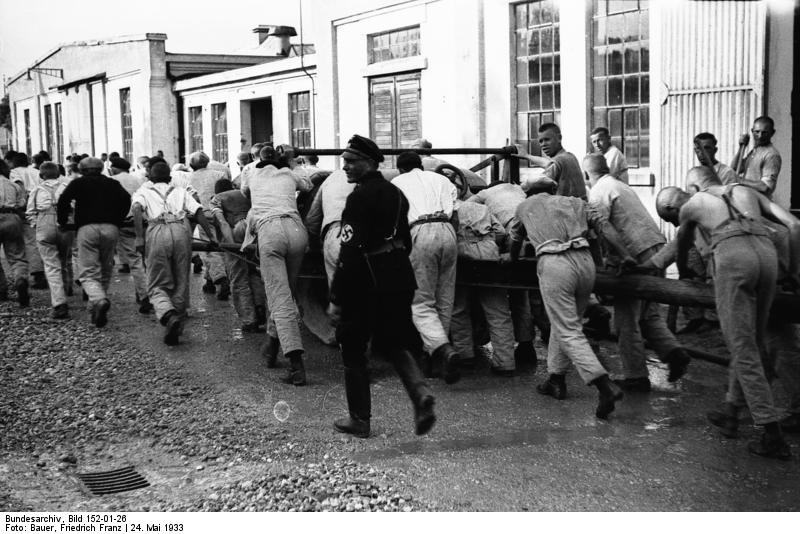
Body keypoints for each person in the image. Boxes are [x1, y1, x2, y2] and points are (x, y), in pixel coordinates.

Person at [665, 176, 800, 459]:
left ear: (673, 207)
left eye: (671, 217)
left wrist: (687, 274)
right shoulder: (742, 190)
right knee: (753, 339)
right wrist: (790, 268)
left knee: (743, 346)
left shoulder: (691, 206)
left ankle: (771, 431)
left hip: (733, 255)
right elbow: (794, 224)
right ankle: (731, 409)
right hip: (766, 253)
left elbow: (682, 247)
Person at [327, 134, 436, 438]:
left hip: (366, 280)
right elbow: (407, 238)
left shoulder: (358, 198)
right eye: (344, 161)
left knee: (351, 343)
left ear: (370, 163)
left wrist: (336, 297)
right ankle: (420, 393)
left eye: (351, 161)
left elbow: (349, 251)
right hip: (399, 275)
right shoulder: (396, 193)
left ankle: (359, 420)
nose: (345, 166)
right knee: (394, 340)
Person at [509, 175, 634, 418]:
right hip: (584, 261)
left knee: (568, 330)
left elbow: (515, 240)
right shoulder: (575, 202)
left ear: (527, 192)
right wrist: (624, 254)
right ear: (553, 188)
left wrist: (512, 261)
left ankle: (604, 385)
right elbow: (604, 227)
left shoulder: (524, 206)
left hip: (555, 263)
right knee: (566, 323)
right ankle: (556, 378)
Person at [584, 154, 691, 391]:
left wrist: (606, 262)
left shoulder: (600, 190)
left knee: (625, 319)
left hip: (634, 253)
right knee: (649, 313)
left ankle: (636, 376)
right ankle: (674, 353)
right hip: (654, 247)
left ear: (586, 175)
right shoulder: (620, 185)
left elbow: (603, 228)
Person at [244, 145, 312, 385]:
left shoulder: (251, 173)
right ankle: (272, 345)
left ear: (259, 161)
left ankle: (296, 365)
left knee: (279, 297)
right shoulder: (289, 174)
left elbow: (244, 192)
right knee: (286, 293)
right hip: (296, 229)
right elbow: (309, 185)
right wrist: (292, 163)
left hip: (270, 230)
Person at [392, 151, 461, 384]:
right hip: (447, 231)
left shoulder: (397, 182)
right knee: (445, 297)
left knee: (421, 302)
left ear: (400, 168)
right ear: (420, 165)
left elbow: (396, 219)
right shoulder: (442, 179)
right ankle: (436, 358)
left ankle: (442, 349)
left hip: (420, 230)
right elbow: (456, 216)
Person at [132, 162, 216, 345]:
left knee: (156, 281)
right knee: (180, 277)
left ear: (150, 178)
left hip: (157, 230)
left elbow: (137, 209)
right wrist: (211, 237)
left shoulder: (143, 191)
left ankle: (168, 314)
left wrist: (139, 237)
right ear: (169, 177)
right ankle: (178, 315)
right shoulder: (180, 191)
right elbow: (198, 211)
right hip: (180, 231)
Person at [465, 180, 540, 366]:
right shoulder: (518, 189)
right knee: (520, 294)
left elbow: (467, 205)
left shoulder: (484, 194)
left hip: (512, 232)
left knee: (496, 295)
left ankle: (475, 345)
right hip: (537, 230)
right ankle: (526, 344)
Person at [56, 157, 131, 327]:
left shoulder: (78, 183)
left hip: (87, 228)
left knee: (88, 271)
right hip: (110, 228)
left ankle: (98, 299)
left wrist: (63, 221)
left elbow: (63, 200)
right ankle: (95, 307)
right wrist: (118, 219)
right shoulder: (112, 183)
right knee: (106, 267)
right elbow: (127, 199)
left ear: (82, 170)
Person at [450, 194, 516, 376]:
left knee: (459, 308)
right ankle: (506, 363)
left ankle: (465, 356)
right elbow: (501, 232)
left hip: (461, 254)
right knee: (498, 312)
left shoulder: (448, 210)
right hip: (489, 254)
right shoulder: (482, 208)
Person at [210, 178, 266, 332]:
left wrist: (232, 247)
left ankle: (249, 319)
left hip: (237, 230)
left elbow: (223, 223)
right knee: (254, 271)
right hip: (256, 229)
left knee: (238, 277)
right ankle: (260, 306)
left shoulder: (217, 199)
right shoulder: (244, 193)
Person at [25, 162, 73, 318]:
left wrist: (35, 224)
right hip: (64, 223)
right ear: (58, 174)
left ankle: (59, 303)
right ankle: (66, 289)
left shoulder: (36, 190)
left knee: (51, 265)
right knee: (64, 260)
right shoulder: (66, 186)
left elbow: (30, 212)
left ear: (41, 175)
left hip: (44, 223)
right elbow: (74, 206)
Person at [109, 157, 151, 312]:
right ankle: (142, 292)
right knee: (145, 258)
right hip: (142, 221)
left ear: (115, 168)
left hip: (124, 222)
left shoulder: (111, 180)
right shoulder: (137, 180)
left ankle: (145, 294)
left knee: (134, 260)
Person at [187, 151, 230, 300]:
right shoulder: (219, 174)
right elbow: (226, 192)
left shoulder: (189, 178)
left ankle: (221, 278)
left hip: (202, 214)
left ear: (192, 165)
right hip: (220, 212)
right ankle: (209, 280)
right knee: (220, 245)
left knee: (210, 249)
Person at [517, 123, 586, 200]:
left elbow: (537, 182)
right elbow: (547, 163)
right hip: (580, 207)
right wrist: (526, 156)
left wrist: (517, 189)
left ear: (559, 138)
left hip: (567, 209)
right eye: (540, 141)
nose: (543, 144)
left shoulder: (558, 161)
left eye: (547, 140)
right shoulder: (569, 156)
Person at [10, 152, 46, 289]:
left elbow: (18, 186)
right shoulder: (36, 172)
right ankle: (38, 273)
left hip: (23, 206)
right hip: (38, 205)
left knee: (18, 242)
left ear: (13, 162)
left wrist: (22, 202)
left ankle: (24, 275)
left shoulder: (14, 172)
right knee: (33, 240)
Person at [0, 159, 29, 306]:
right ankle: (20, 279)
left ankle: (1, 289)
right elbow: (22, 204)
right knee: (17, 255)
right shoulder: (14, 185)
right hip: (11, 217)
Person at [731, 116, 781, 197]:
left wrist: (740, 181)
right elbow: (734, 169)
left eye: (764, 132)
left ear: (772, 133)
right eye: (757, 132)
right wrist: (741, 148)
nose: (760, 136)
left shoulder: (772, 155)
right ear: (752, 131)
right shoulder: (755, 151)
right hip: (746, 199)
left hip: (759, 204)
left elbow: (765, 187)